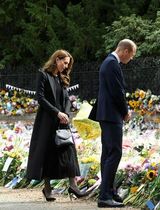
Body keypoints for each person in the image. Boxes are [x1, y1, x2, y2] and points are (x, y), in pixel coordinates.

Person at [26, 50, 87, 201]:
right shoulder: (44, 74)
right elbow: (40, 98)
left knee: (68, 150)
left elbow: (66, 99)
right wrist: (56, 113)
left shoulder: (62, 77)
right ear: (56, 59)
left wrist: (65, 114)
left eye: (67, 64)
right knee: (48, 153)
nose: (66, 66)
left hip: (62, 121)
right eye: (64, 62)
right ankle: (47, 189)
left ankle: (73, 185)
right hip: (47, 121)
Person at [93, 39, 136, 208]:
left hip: (107, 114)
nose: (131, 58)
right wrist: (125, 111)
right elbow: (117, 91)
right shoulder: (112, 63)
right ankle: (104, 195)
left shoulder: (108, 62)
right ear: (125, 51)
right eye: (131, 55)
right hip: (112, 115)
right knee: (114, 153)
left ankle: (109, 191)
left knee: (108, 153)